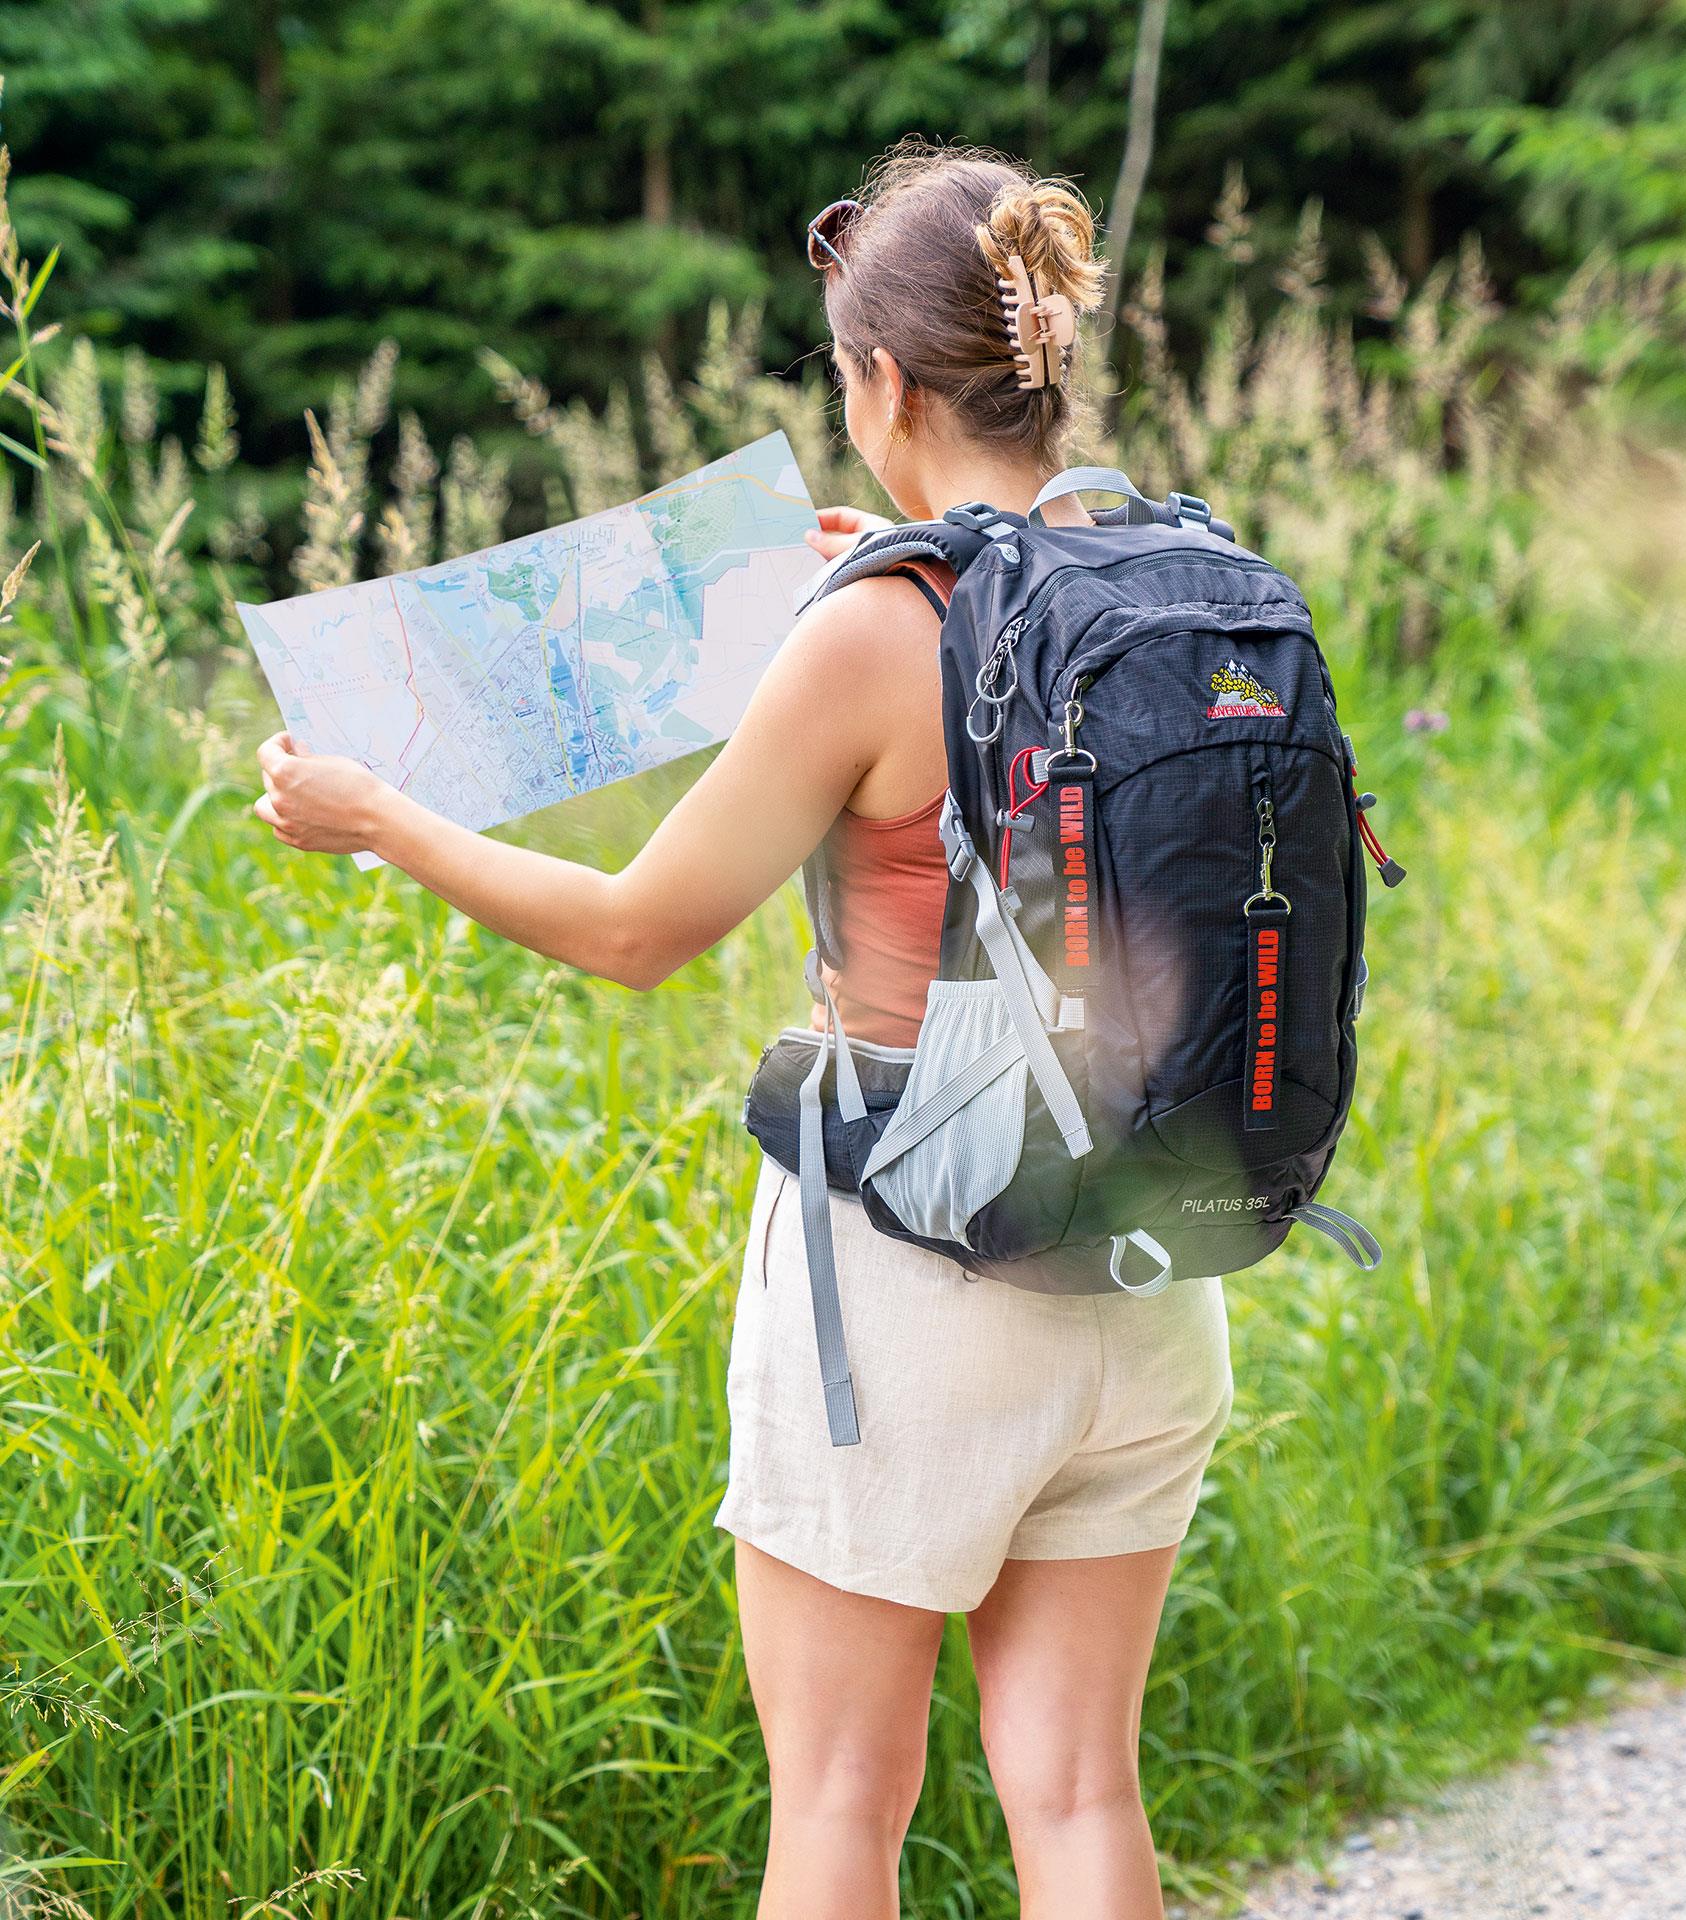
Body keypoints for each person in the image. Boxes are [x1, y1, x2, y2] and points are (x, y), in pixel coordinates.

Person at [253, 143, 1233, 1920]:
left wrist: (379, 816)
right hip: (1156, 1258)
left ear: (877, 380)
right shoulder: (1165, 570)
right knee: (1082, 1798)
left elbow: (639, 930)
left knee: (843, 1806)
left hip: (921, 1269)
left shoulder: (872, 631)